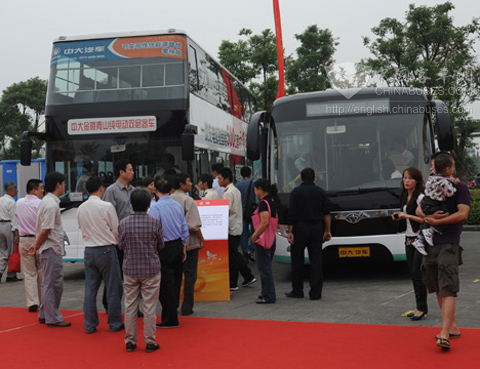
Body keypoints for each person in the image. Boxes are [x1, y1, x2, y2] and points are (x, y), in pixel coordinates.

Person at [417, 153, 470, 350]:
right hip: (430, 242)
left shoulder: (460, 187)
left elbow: (463, 213)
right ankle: (453, 327)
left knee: (447, 288)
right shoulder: (432, 185)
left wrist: (438, 221)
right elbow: (419, 210)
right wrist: (429, 216)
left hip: (449, 243)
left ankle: (444, 333)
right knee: (437, 287)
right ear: (448, 168)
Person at [118, 188, 164, 353]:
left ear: (131, 204)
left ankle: (130, 341)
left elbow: (121, 245)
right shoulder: (155, 222)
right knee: (149, 307)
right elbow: (160, 245)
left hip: (130, 268)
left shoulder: (123, 223)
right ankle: (150, 342)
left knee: (130, 305)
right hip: (150, 269)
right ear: (147, 205)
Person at [77, 176, 124, 334]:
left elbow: (81, 228)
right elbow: (116, 229)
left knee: (90, 289)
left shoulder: (81, 208)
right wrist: (118, 244)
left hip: (89, 250)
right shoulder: (107, 206)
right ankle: (115, 323)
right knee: (112, 288)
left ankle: (90, 324)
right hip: (106, 249)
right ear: (101, 189)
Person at [28, 172, 71, 327]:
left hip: (49, 247)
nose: (64, 186)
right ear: (58, 184)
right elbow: (46, 230)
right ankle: (53, 317)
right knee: (53, 284)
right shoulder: (51, 204)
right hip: (51, 247)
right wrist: (37, 245)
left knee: (49, 282)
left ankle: (45, 313)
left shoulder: (47, 202)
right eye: (64, 183)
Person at [149, 176, 189, 328]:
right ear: (171, 189)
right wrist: (184, 246)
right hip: (177, 245)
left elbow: (154, 230)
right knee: (176, 281)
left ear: (156, 190)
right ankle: (172, 312)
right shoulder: (177, 205)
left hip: (163, 247)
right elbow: (184, 228)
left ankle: (170, 317)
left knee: (165, 284)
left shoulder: (156, 208)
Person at [286, 167, 331, 300]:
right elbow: (326, 214)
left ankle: (297, 290)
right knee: (316, 261)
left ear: (301, 179)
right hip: (316, 229)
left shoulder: (296, 192)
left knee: (297, 261)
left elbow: (292, 214)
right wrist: (327, 230)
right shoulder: (321, 192)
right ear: (314, 178)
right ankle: (316, 293)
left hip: (299, 229)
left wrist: (290, 231)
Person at [392, 167, 428, 321]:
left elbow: (426, 220)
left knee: (417, 272)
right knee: (413, 273)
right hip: (408, 237)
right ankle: (419, 306)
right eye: (404, 178)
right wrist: (399, 217)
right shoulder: (405, 195)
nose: (406, 181)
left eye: (410, 178)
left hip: (419, 237)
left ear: (417, 181)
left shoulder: (420, 197)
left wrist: (407, 215)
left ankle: (422, 308)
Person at [103, 159, 135, 312]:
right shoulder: (111, 191)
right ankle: (109, 303)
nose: (132, 172)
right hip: (117, 239)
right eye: (130, 169)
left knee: (132, 275)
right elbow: (108, 216)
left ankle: (134, 306)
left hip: (132, 239)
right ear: (121, 172)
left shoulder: (134, 190)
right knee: (115, 275)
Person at [170, 173, 204, 316]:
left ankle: (173, 304)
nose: (191, 184)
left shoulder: (168, 200)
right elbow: (194, 225)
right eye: (189, 181)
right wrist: (201, 238)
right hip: (189, 242)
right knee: (190, 275)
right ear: (182, 185)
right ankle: (187, 306)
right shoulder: (188, 201)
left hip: (172, 242)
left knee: (175, 275)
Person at [217, 167, 256, 291]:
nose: (218, 181)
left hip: (231, 227)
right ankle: (247, 276)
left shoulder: (228, 192)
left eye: (220, 178)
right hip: (237, 226)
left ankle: (234, 282)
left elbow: (225, 211)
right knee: (234, 254)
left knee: (233, 256)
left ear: (226, 179)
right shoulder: (235, 190)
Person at [412, 154, 459, 255]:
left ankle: (420, 239)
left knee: (429, 218)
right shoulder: (444, 182)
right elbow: (450, 193)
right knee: (445, 215)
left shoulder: (432, 177)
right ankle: (432, 230)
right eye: (453, 166)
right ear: (447, 169)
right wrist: (455, 185)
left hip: (426, 202)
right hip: (434, 204)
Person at [15, 179, 44, 311]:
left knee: (29, 273)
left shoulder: (19, 202)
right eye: (41, 188)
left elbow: (16, 219)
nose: (43, 190)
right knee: (41, 271)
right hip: (38, 240)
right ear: (34, 190)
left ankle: (32, 302)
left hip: (24, 240)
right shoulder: (40, 204)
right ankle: (43, 300)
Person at [251, 178, 278, 304]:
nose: (255, 192)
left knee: (264, 268)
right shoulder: (272, 201)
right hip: (272, 238)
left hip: (263, 239)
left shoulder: (263, 203)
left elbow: (265, 222)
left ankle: (268, 296)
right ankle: (266, 292)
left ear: (260, 190)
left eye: (255, 190)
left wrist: (255, 235)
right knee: (266, 267)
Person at [0, 181, 20, 283]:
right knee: (11, 251)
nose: (16, 190)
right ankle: (11, 275)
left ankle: (1, 271)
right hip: (8, 226)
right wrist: (16, 233)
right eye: (15, 188)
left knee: (2, 252)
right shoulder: (12, 202)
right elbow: (14, 219)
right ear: (10, 190)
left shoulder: (0, 200)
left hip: (0, 226)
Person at [236, 166, 256, 263]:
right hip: (253, 211)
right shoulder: (254, 183)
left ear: (241, 174)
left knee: (243, 234)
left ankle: (245, 254)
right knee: (255, 231)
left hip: (242, 212)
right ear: (250, 173)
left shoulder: (238, 185)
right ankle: (251, 249)